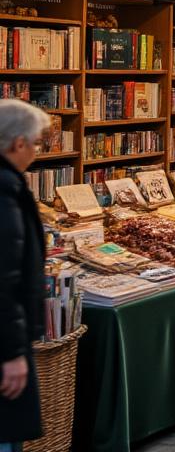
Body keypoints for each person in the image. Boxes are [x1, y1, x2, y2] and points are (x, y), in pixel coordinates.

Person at [0, 101, 51, 451]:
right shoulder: (5, 192)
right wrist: (13, 353)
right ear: (18, 143)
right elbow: (5, 278)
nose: (36, 150)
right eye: (35, 143)